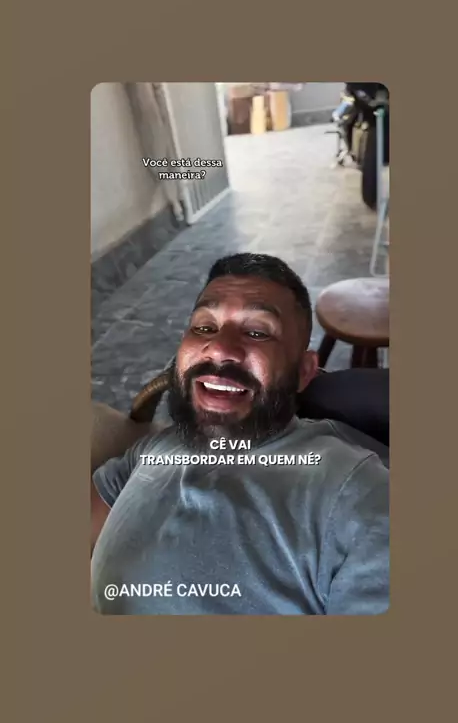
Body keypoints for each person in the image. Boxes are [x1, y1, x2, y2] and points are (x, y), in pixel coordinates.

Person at [91, 253, 389, 615]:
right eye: (204, 327)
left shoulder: (356, 492)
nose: (218, 348)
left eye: (257, 332)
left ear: (303, 372)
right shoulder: (155, 447)